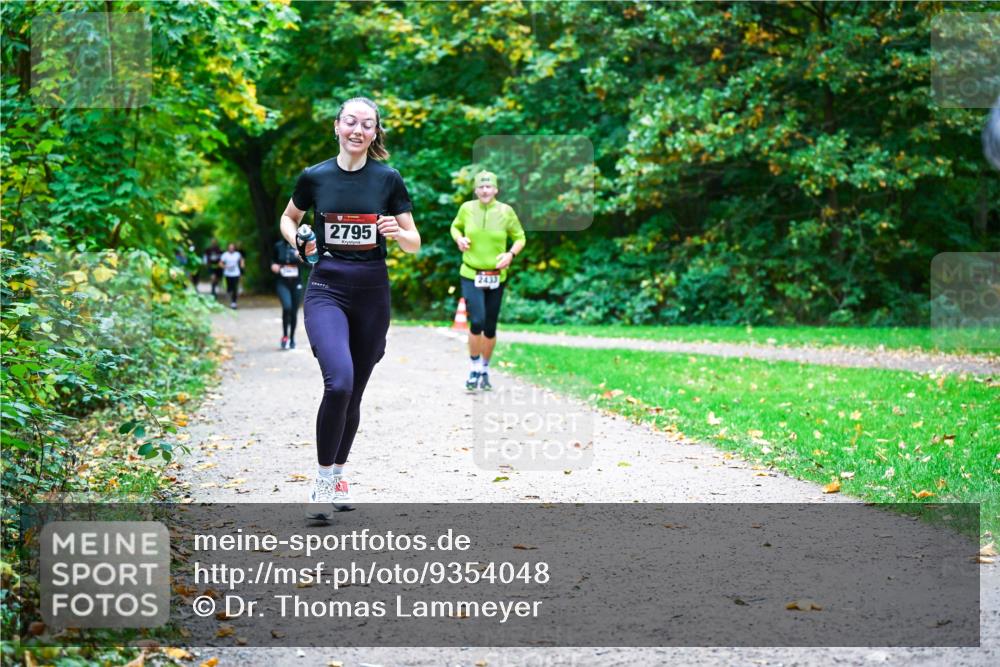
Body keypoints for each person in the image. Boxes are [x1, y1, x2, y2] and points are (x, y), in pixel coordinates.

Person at [278, 96, 420, 520]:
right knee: (338, 382)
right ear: (337, 126)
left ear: (375, 133)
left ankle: (339, 472)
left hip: (373, 292)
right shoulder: (315, 177)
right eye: (351, 122)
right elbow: (288, 218)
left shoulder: (388, 179)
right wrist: (298, 237)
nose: (358, 130)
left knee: (354, 391)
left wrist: (397, 231)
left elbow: (414, 243)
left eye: (368, 125)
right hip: (327, 288)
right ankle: (322, 482)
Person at [450, 170, 526, 391]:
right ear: (476, 190)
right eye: (481, 187)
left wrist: (510, 254)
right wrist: (459, 238)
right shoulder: (466, 209)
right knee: (478, 321)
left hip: (496, 276)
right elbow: (455, 226)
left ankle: (484, 369)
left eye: (489, 187)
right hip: (471, 273)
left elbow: (520, 237)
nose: (485, 190)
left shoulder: (506, 212)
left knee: (490, 327)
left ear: (495, 189)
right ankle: (474, 368)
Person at [271, 236, 303, 349]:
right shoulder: (278, 246)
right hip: (282, 282)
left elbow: (310, 262)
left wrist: (300, 256)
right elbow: (273, 260)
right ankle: (285, 336)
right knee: (287, 307)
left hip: (296, 283)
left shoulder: (300, 245)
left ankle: (292, 338)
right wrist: (273, 265)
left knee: (294, 311)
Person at [219, 242, 244, 309]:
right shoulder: (225, 255)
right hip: (228, 274)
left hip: (236, 273)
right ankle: (230, 295)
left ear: (234, 248)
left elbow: (241, 260)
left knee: (235, 287)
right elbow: (220, 263)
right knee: (229, 288)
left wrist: (242, 265)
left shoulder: (237, 254)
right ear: (228, 248)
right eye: (230, 247)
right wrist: (225, 266)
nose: (231, 249)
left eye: (232, 247)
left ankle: (234, 302)